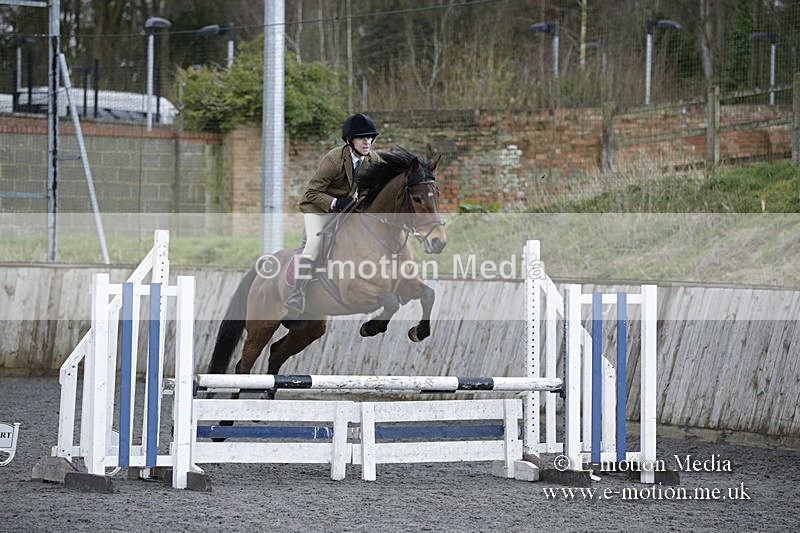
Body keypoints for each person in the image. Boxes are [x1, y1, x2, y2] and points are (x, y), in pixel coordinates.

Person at [283, 113, 381, 319]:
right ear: (349, 140)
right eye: (362, 137)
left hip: (345, 209)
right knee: (313, 246)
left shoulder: (373, 160)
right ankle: (297, 294)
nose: (367, 141)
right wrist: (336, 202)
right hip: (318, 208)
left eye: (370, 137)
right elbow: (310, 193)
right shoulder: (333, 160)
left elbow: (369, 190)